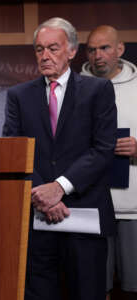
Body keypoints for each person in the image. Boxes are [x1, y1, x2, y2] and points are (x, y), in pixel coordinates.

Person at [3, 17, 117, 300]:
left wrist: (60, 187)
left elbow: (103, 149)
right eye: (39, 49)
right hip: (38, 219)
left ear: (72, 51)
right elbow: (16, 150)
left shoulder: (98, 91)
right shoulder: (19, 95)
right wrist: (43, 195)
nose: (45, 56)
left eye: (53, 48)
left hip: (84, 216)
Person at [82, 25, 137, 300]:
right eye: (91, 49)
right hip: (88, 206)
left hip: (133, 209)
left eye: (104, 48)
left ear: (120, 49)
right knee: (94, 287)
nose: (97, 55)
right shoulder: (71, 88)